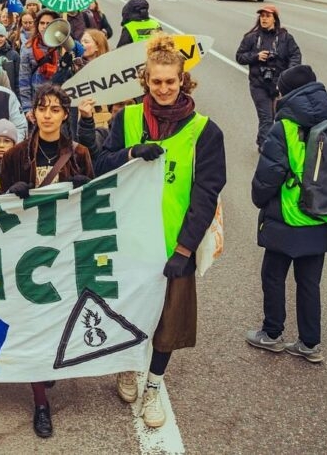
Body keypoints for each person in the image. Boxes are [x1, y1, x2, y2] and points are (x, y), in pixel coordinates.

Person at [94, 35, 226, 430]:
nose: (164, 89)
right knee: (127, 311)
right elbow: (100, 166)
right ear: (145, 81)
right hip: (128, 240)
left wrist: (184, 249)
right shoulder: (127, 120)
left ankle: (154, 383)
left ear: (183, 81)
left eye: (171, 82)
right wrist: (131, 154)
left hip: (173, 244)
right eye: (157, 82)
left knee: (169, 322)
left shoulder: (205, 131)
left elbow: (206, 194)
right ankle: (129, 368)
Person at [0, 83, 95, 438]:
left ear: (64, 114)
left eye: (56, 109)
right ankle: (41, 401)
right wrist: (13, 194)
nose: (49, 115)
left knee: (59, 317)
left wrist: (87, 186)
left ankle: (51, 364)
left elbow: (97, 204)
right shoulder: (15, 156)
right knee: (33, 322)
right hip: (28, 254)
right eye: (43, 108)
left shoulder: (81, 153)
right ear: (33, 113)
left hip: (66, 252)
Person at [246, 65, 327, 364]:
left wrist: (259, 199)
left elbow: (269, 175)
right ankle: (310, 344)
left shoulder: (284, 127)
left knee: (273, 276)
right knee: (309, 283)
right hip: (323, 215)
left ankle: (272, 334)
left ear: (285, 92)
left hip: (287, 217)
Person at [235, 5, 302, 150]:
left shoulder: (285, 37)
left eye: (267, 16)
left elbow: (296, 55)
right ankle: (265, 149)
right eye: (262, 16)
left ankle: (266, 141)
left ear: (275, 19)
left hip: (279, 84)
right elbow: (239, 57)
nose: (264, 19)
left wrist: (288, 74)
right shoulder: (251, 37)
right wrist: (256, 56)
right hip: (258, 84)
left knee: (278, 117)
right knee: (266, 117)